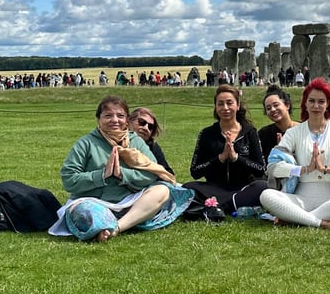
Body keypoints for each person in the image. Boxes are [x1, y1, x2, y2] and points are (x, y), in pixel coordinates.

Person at [49, 95, 193, 242]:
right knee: (83, 212)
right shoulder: (85, 143)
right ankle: (125, 221)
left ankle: (116, 227)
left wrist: (122, 174)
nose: (115, 120)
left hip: (131, 201)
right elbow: (69, 179)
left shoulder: (136, 141)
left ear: (126, 120)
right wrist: (101, 175)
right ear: (98, 119)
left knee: (162, 191)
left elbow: (151, 174)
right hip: (94, 200)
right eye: (108, 116)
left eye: (120, 116)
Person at [260, 78, 330, 229]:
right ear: (305, 103)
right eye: (311, 101)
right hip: (300, 197)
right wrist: (304, 169)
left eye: (321, 101)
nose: (316, 106)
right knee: (266, 195)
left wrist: (327, 169)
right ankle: (323, 223)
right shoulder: (294, 132)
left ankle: (295, 218)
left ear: (328, 104)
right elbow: (273, 166)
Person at [184, 85, 267, 214]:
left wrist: (236, 158)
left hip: (243, 189)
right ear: (216, 107)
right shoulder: (207, 134)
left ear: (238, 105)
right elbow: (195, 171)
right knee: (187, 188)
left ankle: (214, 206)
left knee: (262, 186)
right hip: (215, 188)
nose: (225, 108)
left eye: (229, 103)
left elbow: (260, 169)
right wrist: (220, 158)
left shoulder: (250, 132)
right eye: (220, 104)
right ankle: (229, 206)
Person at [129, 107, 174, 177]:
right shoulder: (117, 141)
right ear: (129, 122)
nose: (146, 128)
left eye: (150, 127)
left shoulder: (153, 146)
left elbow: (168, 173)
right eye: (142, 122)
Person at [258, 85, 296, 160]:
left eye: (276, 105)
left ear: (287, 105)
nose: (272, 109)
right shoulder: (263, 134)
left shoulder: (303, 129)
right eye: (268, 108)